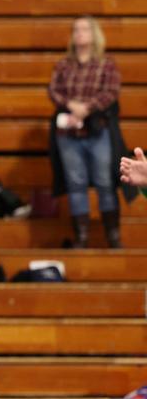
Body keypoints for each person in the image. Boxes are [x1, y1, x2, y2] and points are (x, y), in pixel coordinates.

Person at [48, 16, 125, 248]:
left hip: (97, 130)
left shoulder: (106, 64)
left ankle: (112, 236)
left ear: (94, 34)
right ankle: (81, 237)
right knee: (76, 183)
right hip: (69, 135)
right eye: (76, 30)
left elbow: (111, 92)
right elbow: (53, 90)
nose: (79, 33)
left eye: (84, 29)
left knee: (104, 181)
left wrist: (87, 108)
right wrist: (72, 106)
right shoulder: (63, 65)